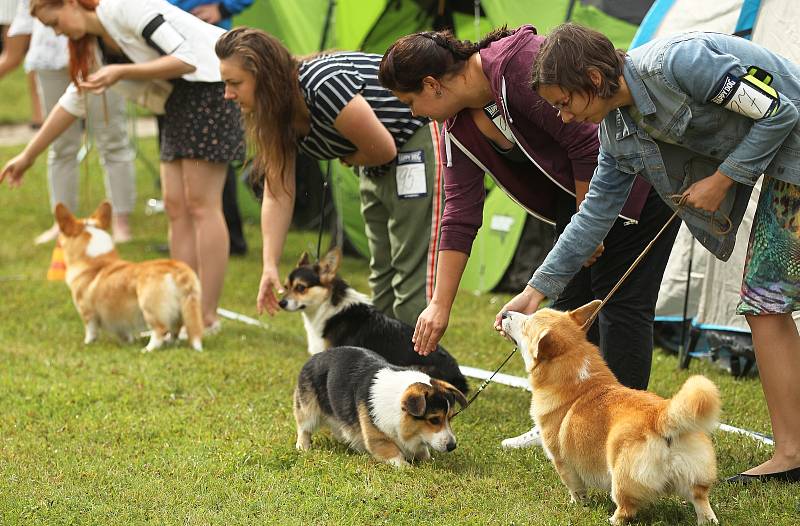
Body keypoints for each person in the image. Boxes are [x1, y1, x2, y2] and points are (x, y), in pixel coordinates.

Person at [520, 23, 800, 483]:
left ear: (592, 78)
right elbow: (594, 215)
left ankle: (791, 453)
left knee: (766, 304)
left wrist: (723, 178)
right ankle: (791, 454)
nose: (564, 117)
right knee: (765, 305)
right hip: (785, 169)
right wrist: (534, 293)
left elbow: (779, 112)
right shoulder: (616, 133)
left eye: (564, 102)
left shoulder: (679, 63)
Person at [379, 26, 679, 448]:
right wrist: (439, 305)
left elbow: (587, 143)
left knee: (620, 306)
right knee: (568, 311)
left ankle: (626, 435)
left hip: (635, 186)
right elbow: (460, 211)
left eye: (411, 102)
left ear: (432, 85)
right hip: (576, 204)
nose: (413, 113)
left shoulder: (518, 66)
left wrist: (587, 220)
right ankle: (561, 426)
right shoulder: (455, 126)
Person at [0, 0, 244, 332]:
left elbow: (185, 58)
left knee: (202, 205)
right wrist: (27, 156)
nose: (57, 32)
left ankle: (206, 314)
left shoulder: (127, 8)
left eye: (54, 22)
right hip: (177, 100)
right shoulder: (95, 44)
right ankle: (181, 309)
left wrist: (121, 71)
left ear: (71, 3)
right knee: (175, 207)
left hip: (212, 90)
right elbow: (73, 100)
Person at [215, 27, 442, 326]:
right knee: (383, 268)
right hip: (373, 159)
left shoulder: (322, 85)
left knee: (409, 266)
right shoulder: (274, 112)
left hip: (415, 139)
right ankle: (387, 355)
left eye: (234, 83)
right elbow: (278, 191)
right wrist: (269, 265)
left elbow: (383, 148)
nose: (227, 94)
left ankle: (416, 362)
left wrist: (349, 157)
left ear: (265, 77)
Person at [1, 0, 135, 244]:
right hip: (48, 60)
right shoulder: (46, 22)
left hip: (95, 55)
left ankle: (121, 220)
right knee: (61, 145)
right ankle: (63, 222)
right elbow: (24, 20)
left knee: (112, 139)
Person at [166, 0, 253, 256]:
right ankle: (194, 242)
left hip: (207, 61)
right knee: (187, 187)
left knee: (208, 181)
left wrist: (224, 8)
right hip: (175, 64)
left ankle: (231, 238)